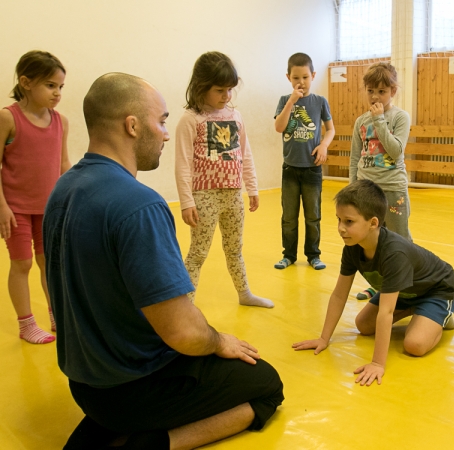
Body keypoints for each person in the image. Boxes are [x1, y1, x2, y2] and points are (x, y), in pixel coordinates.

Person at [44, 73, 283, 450]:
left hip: (84, 383)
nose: (166, 134)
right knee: (267, 385)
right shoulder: (139, 204)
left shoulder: (63, 188)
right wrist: (220, 340)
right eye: (162, 121)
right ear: (133, 126)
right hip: (131, 387)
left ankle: (106, 430)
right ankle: (157, 441)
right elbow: (183, 333)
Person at [292, 180, 454, 387]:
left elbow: (386, 313)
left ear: (373, 223)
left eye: (349, 222)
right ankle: (417, 310)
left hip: (436, 289)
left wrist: (378, 363)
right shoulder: (352, 247)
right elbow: (339, 295)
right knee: (363, 325)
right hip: (404, 292)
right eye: (339, 220)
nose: (341, 228)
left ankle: (442, 316)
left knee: (414, 345)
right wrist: (324, 339)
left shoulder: (394, 253)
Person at [175, 52, 273, 308]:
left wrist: (252, 187)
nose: (226, 96)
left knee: (234, 250)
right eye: (220, 90)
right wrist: (187, 201)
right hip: (204, 196)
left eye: (230, 90)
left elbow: (245, 153)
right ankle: (186, 307)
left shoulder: (235, 116)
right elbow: (183, 163)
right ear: (200, 88)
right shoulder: (190, 119)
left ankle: (244, 294)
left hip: (232, 194)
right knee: (197, 253)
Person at [0, 50, 70, 344]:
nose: (57, 93)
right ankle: (26, 323)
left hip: (49, 208)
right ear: (26, 82)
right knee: (22, 264)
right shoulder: (7, 118)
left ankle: (58, 315)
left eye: (60, 87)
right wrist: (2, 206)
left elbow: (63, 164)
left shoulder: (61, 122)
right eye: (50, 85)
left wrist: (70, 199)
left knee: (50, 263)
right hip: (16, 209)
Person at [349, 62, 412, 301]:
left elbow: (396, 151)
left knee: (399, 236)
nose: (375, 96)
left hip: (393, 188)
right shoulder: (360, 122)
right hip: (367, 189)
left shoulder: (400, 117)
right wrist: (352, 187)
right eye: (370, 90)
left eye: (382, 91)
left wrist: (379, 122)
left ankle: (405, 285)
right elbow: (356, 156)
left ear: (393, 91)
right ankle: (378, 284)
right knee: (371, 239)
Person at [274, 52, 335, 270]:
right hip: (290, 168)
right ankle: (288, 255)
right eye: (296, 78)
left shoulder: (319, 102)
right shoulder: (284, 100)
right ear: (288, 77)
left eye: (305, 77)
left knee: (313, 216)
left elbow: (330, 129)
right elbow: (279, 127)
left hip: (312, 169)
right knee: (289, 217)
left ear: (313, 76)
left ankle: (313, 255)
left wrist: (324, 145)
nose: (301, 82)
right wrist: (291, 101)